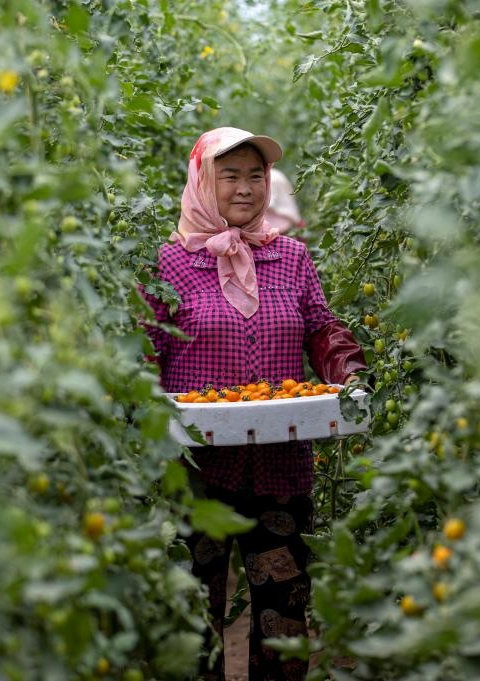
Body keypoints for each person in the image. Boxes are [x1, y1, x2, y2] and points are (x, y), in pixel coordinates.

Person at [140, 127, 366, 681]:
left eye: (256, 175)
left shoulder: (290, 257)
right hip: (197, 475)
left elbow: (320, 328)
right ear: (202, 181)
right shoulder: (169, 263)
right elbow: (146, 351)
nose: (245, 188)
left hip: (281, 471)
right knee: (195, 623)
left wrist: (350, 374)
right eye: (231, 175)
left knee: (283, 620)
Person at [264, 168, 305, 234]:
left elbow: (269, 203)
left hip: (277, 224)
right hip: (286, 223)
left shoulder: (269, 177)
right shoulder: (278, 174)